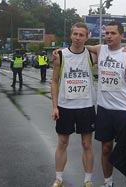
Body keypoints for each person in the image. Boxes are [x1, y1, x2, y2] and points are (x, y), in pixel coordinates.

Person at [86, 21, 126, 187]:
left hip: (124, 110)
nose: (109, 36)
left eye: (113, 33)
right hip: (104, 109)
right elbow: (82, 46)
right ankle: (108, 183)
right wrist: (61, 51)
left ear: (122, 35)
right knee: (106, 148)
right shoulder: (100, 49)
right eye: (107, 33)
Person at [51, 22, 96, 187]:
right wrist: (55, 106)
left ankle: (88, 180)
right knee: (62, 143)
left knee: (87, 144)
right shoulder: (60, 56)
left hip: (86, 106)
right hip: (65, 106)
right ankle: (59, 179)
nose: (77, 38)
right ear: (71, 35)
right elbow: (54, 82)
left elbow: (112, 52)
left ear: (86, 37)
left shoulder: (92, 56)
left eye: (81, 35)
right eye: (75, 34)